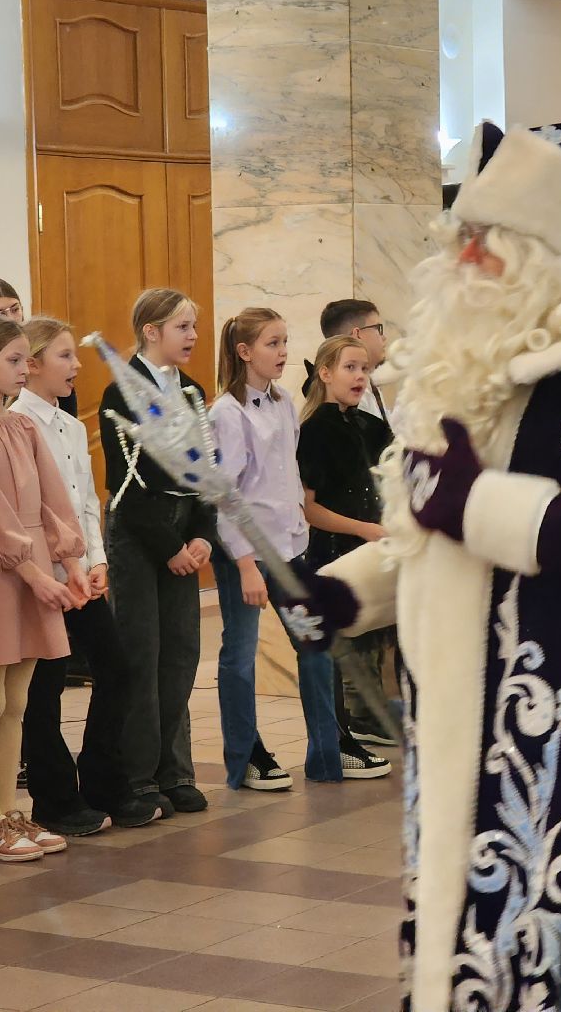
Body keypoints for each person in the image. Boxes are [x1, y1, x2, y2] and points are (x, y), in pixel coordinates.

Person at [283, 121, 561, 1007]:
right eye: (461, 238)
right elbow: (432, 536)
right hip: (461, 720)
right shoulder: (464, 374)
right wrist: (345, 594)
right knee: (466, 935)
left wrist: (474, 503)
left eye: (487, 243)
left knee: (548, 949)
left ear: (549, 263)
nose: (462, 258)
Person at [0, 315, 91, 861]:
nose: (22, 370)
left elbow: (54, 500)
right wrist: (36, 576)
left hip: (36, 573)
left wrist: (71, 563)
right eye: (13, 360)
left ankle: (9, 811)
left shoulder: (25, 427)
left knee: (20, 699)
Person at [12, 318, 159, 832]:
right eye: (65, 356)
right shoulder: (16, 424)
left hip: (80, 572)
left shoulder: (71, 425)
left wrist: (96, 561)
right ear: (30, 366)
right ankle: (54, 801)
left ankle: (103, 781)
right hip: (44, 577)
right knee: (43, 688)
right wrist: (62, 569)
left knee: (116, 671)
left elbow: (85, 504)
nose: (77, 366)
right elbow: (29, 511)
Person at [209, 308, 340, 788]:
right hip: (248, 553)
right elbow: (225, 495)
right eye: (272, 343)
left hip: (290, 549)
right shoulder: (226, 412)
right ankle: (245, 758)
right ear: (244, 352)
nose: (283, 352)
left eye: (285, 341)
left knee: (315, 646)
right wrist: (245, 565)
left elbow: (287, 476)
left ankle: (327, 754)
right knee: (240, 656)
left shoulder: (285, 400)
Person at [99, 288, 217, 817]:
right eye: (183, 327)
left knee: (181, 654)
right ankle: (138, 775)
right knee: (142, 655)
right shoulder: (121, 394)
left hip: (181, 534)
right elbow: (126, 483)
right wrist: (169, 546)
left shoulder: (191, 392)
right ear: (151, 331)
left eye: (193, 326)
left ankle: (175, 770)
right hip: (138, 534)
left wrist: (201, 536)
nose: (193, 336)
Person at [296, 336, 394, 779]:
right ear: (325, 373)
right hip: (332, 551)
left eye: (365, 369)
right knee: (331, 651)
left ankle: (362, 725)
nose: (359, 377)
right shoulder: (315, 429)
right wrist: (363, 529)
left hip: (371, 548)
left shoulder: (370, 427)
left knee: (370, 643)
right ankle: (336, 741)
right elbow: (309, 507)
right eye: (351, 368)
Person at [315, 299, 391, 425]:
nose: (383, 337)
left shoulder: (370, 384)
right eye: (378, 329)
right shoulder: (348, 396)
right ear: (357, 334)